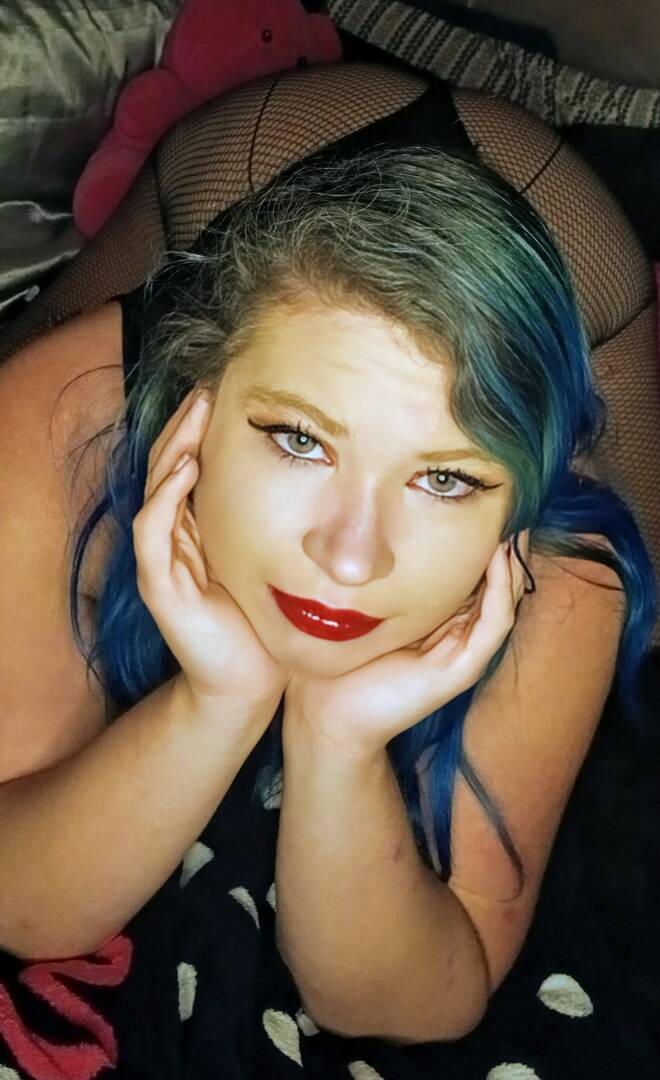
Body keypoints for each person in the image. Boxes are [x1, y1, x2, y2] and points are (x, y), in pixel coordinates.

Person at [0, 142, 656, 1075]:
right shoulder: (64, 414)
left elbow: (421, 1001)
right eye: (300, 440)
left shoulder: (561, 563)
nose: (351, 558)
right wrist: (218, 700)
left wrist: (337, 742)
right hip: (241, 154)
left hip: (581, 242)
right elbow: (22, 903)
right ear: (197, 411)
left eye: (444, 478)